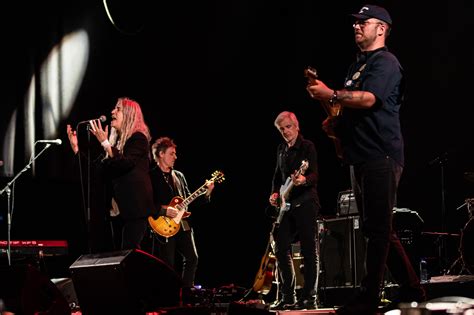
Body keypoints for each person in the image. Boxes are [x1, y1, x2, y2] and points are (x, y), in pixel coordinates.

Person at [306, 4, 425, 314]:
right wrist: (333, 119)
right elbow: (349, 107)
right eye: (355, 23)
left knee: (376, 230)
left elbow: (371, 98)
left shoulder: (385, 62)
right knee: (381, 227)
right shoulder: (357, 66)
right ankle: (413, 289)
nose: (356, 26)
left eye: (364, 22)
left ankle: (368, 297)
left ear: (381, 29)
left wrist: (331, 94)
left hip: (380, 154)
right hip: (361, 156)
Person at [67, 97, 155, 250]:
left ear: (129, 114)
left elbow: (126, 163)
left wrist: (105, 144)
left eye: (118, 109)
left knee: (130, 257)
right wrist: (76, 149)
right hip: (119, 213)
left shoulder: (138, 139)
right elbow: (95, 170)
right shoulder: (116, 145)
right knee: (118, 259)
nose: (112, 111)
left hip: (136, 212)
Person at [268, 111, 321, 310]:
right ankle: (287, 296)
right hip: (286, 207)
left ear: (296, 126)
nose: (285, 132)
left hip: (306, 202)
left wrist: (303, 180)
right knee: (281, 248)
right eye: (281, 129)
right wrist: (274, 194)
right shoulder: (281, 149)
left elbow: (315, 174)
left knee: (309, 251)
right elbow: (277, 177)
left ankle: (309, 298)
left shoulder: (307, 147)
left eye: (288, 127)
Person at [149, 136, 214, 290]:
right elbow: (146, 203)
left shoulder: (179, 176)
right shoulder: (151, 176)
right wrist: (164, 210)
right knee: (167, 263)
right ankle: (167, 296)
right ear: (161, 154)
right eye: (171, 153)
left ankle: (186, 294)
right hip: (163, 225)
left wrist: (206, 193)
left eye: (175, 153)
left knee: (192, 258)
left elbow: (189, 201)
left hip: (183, 223)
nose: (175, 157)